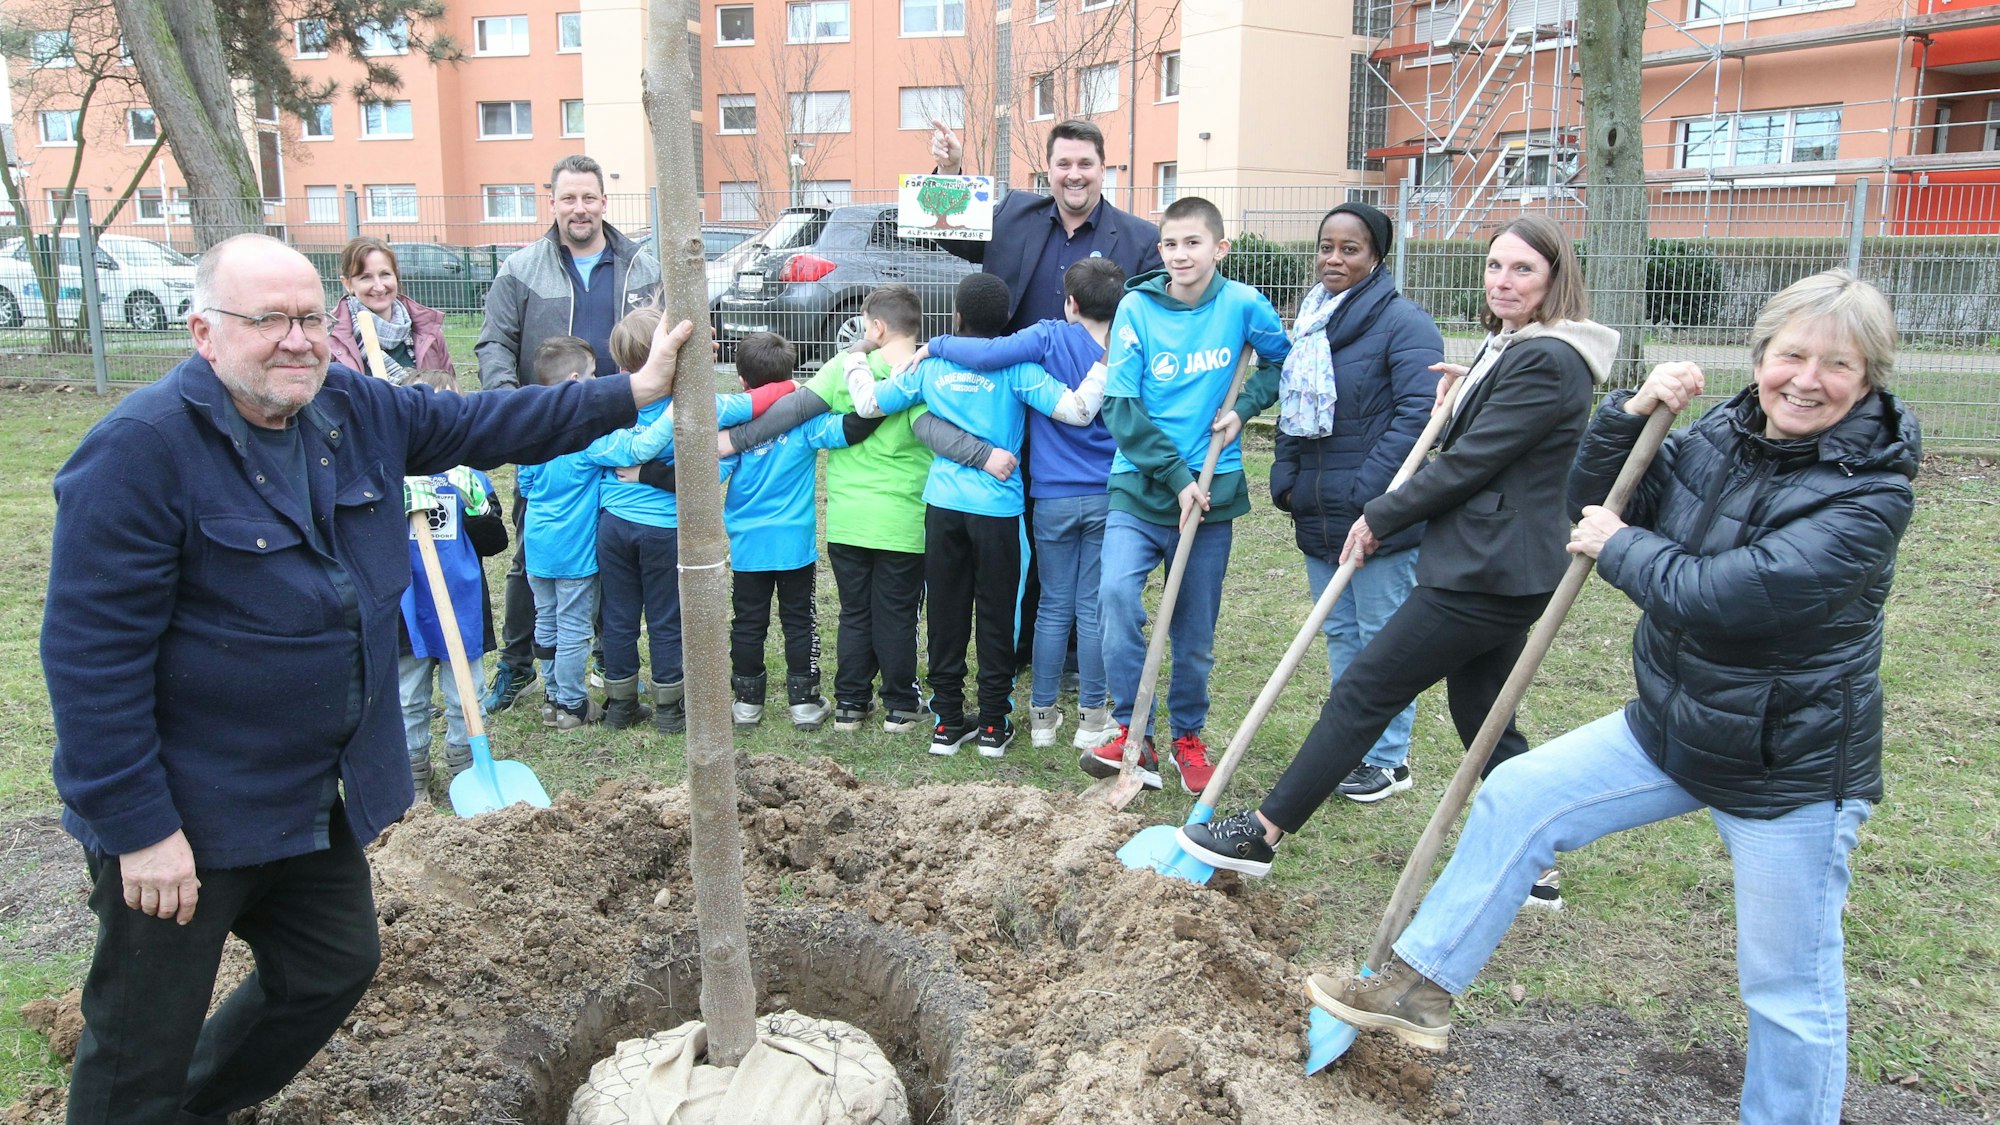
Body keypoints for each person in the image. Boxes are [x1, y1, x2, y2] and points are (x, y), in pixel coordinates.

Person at [41, 233, 690, 1124]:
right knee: (138, 1043)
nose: (297, 339)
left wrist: (631, 391)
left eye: (310, 317)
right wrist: (139, 827)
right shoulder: (139, 453)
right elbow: (89, 656)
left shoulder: (349, 410)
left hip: (312, 796)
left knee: (328, 967)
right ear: (204, 332)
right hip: (192, 808)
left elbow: (481, 425)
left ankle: (194, 1108)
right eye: (268, 320)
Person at [1309, 270, 1918, 1125]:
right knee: (1518, 795)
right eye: (1792, 355)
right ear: (1761, 356)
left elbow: (1731, 594)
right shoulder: (1724, 434)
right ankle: (1418, 987)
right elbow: (1595, 493)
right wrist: (1628, 414)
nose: (1807, 379)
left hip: (1790, 765)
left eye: (1838, 365)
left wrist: (1621, 545)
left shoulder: (1872, 493)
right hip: (1673, 725)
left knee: (1786, 986)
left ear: (1870, 378)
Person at [1177, 214, 1614, 881]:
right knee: (1484, 712)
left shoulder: (1547, 358)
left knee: (1364, 690)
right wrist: (1466, 389)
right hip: (1504, 566)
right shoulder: (1524, 348)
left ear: (1556, 278)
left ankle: (1262, 833)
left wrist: (1380, 513)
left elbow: (1471, 461)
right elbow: (1494, 434)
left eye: (1523, 268)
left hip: (1484, 569)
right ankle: (1538, 864)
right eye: (1495, 265)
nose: (1503, 280)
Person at [1076, 195, 1291, 795]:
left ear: (1220, 248)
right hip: (1142, 484)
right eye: (1170, 244)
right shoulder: (1136, 311)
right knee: (1116, 597)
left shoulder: (1245, 304)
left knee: (1194, 629)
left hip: (1213, 488)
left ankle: (1186, 735)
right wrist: (1175, 477)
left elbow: (1281, 365)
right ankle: (1131, 729)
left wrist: (1244, 408)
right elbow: (1119, 406)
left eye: (1193, 242)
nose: (1180, 254)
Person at [847, 272, 1108, 755]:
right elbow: (1077, 411)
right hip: (999, 512)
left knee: (945, 612)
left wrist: (855, 357)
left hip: (942, 507)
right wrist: (1104, 366)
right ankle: (992, 724)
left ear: (956, 318)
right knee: (998, 613)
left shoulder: (931, 366)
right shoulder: (1019, 368)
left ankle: (947, 722)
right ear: (1006, 321)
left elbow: (867, 403)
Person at [1268, 203, 1443, 803]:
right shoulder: (1311, 324)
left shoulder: (1405, 325)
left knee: (1382, 638)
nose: (1333, 259)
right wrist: (1285, 477)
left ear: (1377, 256)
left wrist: (1365, 494)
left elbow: (1420, 417)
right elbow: (1293, 410)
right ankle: (1354, 746)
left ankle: (1390, 758)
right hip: (1318, 509)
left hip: (1377, 515)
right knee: (1342, 633)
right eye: (1326, 246)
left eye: (1350, 248)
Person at [477, 154, 662, 715]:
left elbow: (668, 339)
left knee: (609, 546)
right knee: (530, 551)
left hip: (621, 429)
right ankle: (517, 662)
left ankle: (607, 653)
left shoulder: (643, 268)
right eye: (567, 198)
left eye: (588, 198)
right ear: (552, 202)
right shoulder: (521, 268)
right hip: (548, 433)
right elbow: (493, 344)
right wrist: (516, 411)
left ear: (604, 202)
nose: (578, 209)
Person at [725, 286, 937, 735]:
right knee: (897, 612)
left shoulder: (842, 369)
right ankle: (900, 705)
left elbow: (797, 409)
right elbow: (854, 426)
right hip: (902, 519)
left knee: (853, 612)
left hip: (843, 521)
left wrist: (736, 439)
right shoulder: (925, 371)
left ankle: (848, 705)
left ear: (875, 327)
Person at [578, 312, 800, 734]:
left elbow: (593, 450)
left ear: (624, 365)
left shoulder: (612, 407)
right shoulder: (704, 404)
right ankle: (669, 708)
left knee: (618, 615)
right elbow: (755, 403)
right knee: (665, 616)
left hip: (615, 526)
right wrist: (794, 386)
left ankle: (620, 705)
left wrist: (632, 461)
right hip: (664, 529)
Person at [716, 331, 883, 729]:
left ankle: (746, 705)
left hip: (748, 546)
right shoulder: (806, 424)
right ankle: (804, 704)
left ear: (742, 383)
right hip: (794, 546)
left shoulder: (736, 429)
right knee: (799, 621)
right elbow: (853, 428)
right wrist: (886, 400)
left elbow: (710, 474)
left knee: (747, 621)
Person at [927, 117, 1162, 333]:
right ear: (1049, 172)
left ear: (1102, 170)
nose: (1074, 174)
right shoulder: (1013, 213)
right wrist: (948, 171)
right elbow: (954, 237)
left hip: (1091, 376)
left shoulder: (1143, 240)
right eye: (1063, 164)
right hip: (1010, 373)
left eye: (1085, 164)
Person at [397, 370, 509, 791]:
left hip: (462, 605)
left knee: (468, 694)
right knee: (409, 697)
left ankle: (466, 767)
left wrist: (479, 507)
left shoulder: (470, 476)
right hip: (406, 609)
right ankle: (414, 774)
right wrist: (393, 505)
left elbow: (494, 544)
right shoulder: (388, 477)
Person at [517, 336, 610, 729]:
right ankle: (573, 705)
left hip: (538, 549)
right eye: (592, 374)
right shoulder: (585, 437)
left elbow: (524, 485)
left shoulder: (532, 432)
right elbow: (621, 457)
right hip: (575, 553)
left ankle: (552, 698)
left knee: (547, 619)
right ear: (575, 380)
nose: (597, 379)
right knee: (574, 628)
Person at [326, 237, 453, 382]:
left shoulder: (429, 332)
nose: (379, 287)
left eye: (385, 274)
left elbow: (451, 394)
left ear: (396, 275)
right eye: (366, 277)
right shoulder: (330, 340)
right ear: (347, 283)